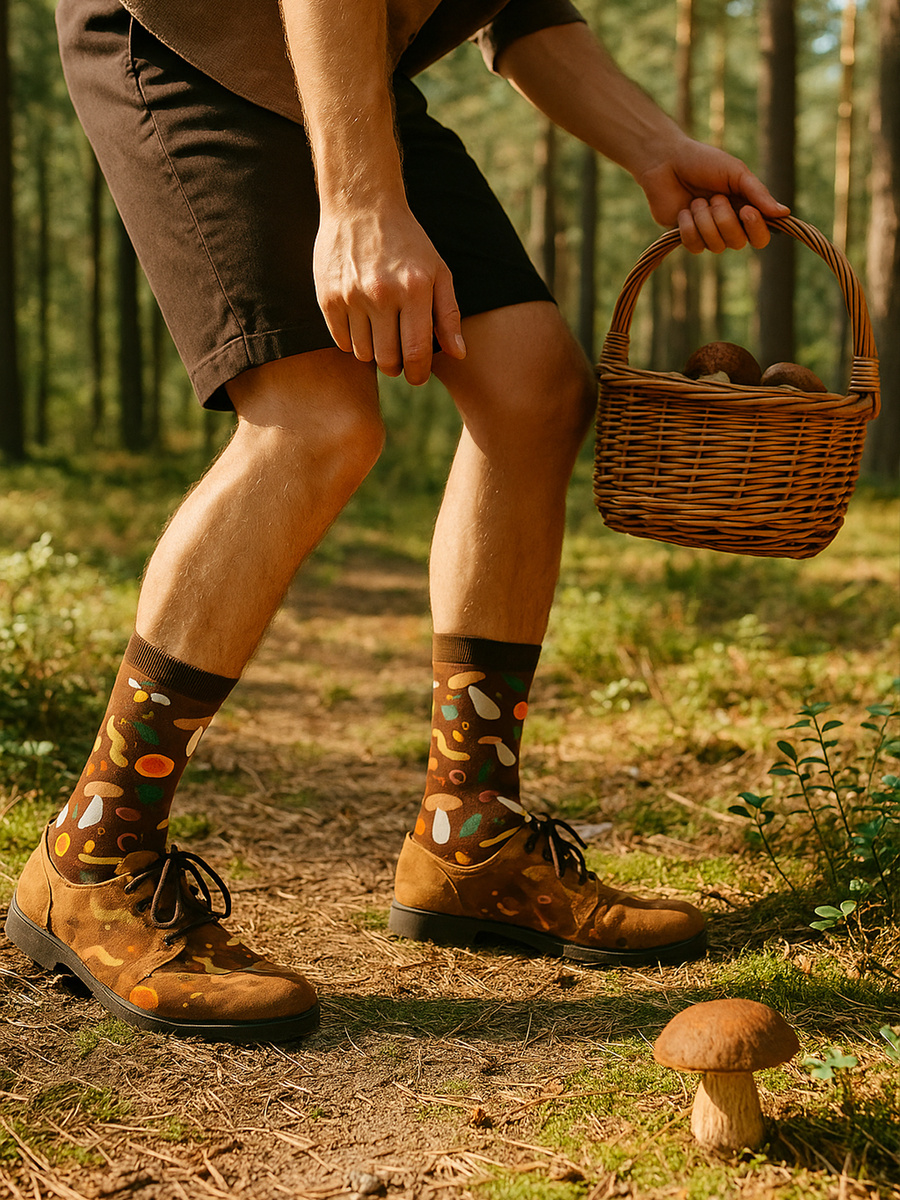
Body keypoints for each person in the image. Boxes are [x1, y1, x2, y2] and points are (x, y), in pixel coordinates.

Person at [5, 0, 788, 1042]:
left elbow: (522, 12)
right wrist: (361, 199)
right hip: (192, 39)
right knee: (315, 422)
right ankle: (92, 856)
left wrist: (660, 149)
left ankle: (471, 836)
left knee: (534, 387)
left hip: (346, 79)